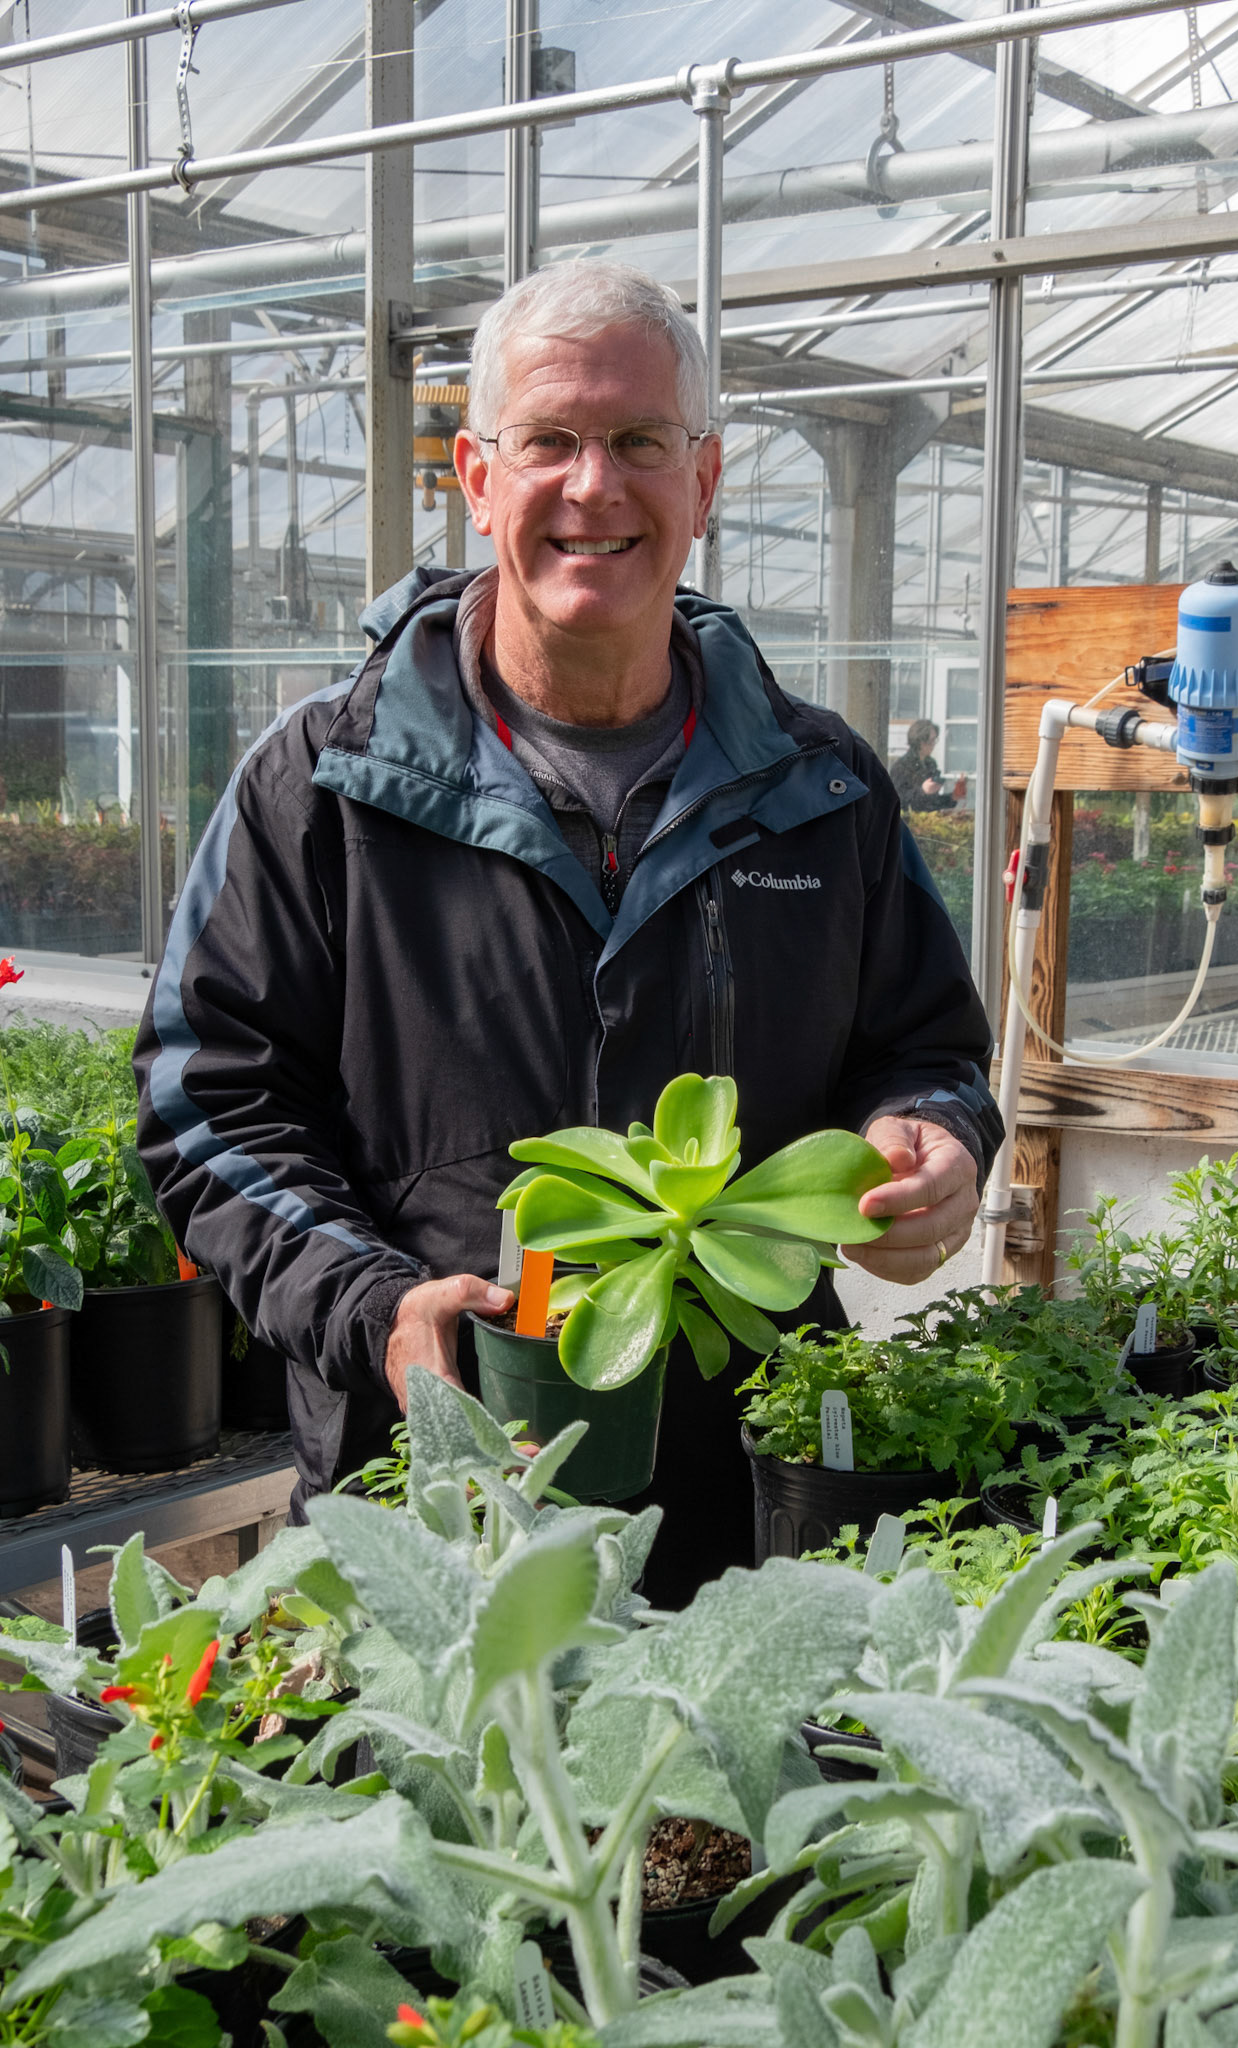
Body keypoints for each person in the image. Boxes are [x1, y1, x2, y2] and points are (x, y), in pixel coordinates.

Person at [133, 261, 1001, 1603]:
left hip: (745, 1497)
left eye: (640, 442)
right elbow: (210, 1107)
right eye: (550, 440)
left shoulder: (819, 790)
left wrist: (931, 1142)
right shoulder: (325, 781)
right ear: (477, 479)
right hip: (427, 1477)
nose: (593, 487)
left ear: (701, 485)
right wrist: (375, 1310)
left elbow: (924, 1046)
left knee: (734, 1800)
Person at [890, 718, 968, 813]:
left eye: (935, 740)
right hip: (908, 823)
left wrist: (953, 797)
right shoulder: (900, 766)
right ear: (920, 741)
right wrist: (922, 791)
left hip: (927, 822)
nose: (933, 745)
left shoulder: (930, 763)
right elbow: (899, 800)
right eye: (931, 741)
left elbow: (933, 803)